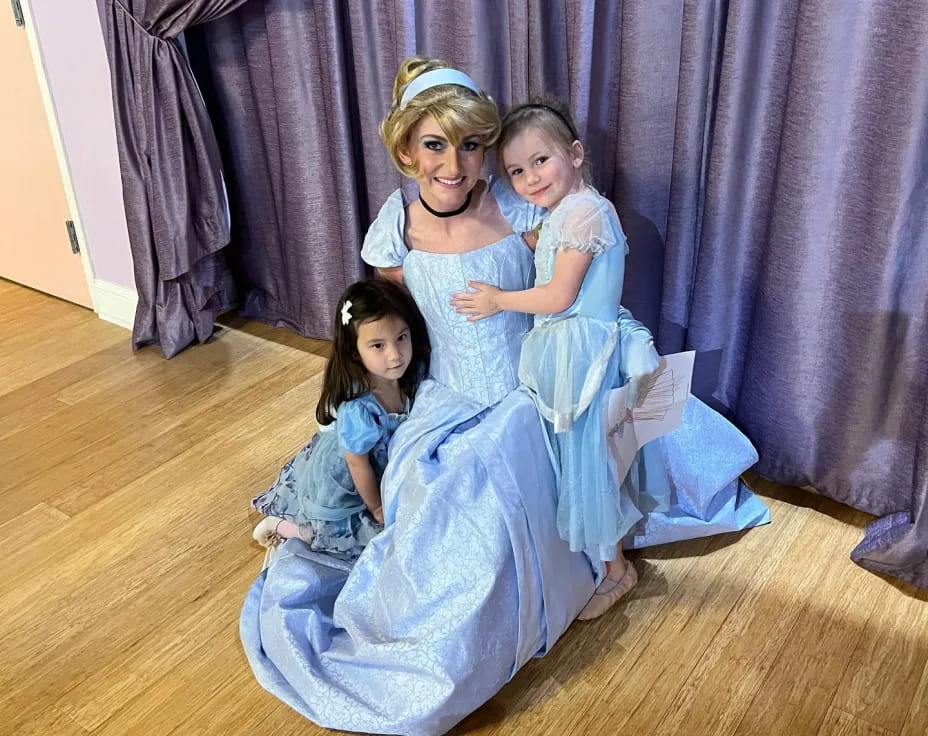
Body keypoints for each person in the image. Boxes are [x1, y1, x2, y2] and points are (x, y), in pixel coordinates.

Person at [240, 56, 769, 736]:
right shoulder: (394, 227)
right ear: (406, 151)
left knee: (489, 501)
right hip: (446, 397)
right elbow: (403, 326)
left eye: (469, 145)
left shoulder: (521, 202)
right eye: (435, 145)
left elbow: (569, 278)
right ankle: (420, 632)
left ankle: (553, 592)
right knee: (422, 505)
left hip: (528, 391)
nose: (454, 164)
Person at [452, 97, 670, 618]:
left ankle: (617, 571)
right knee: (581, 461)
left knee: (590, 464)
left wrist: (497, 301)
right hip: (572, 352)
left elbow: (559, 297)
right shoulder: (569, 212)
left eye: (540, 161)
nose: (530, 178)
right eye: (517, 171)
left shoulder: (586, 213)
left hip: (583, 357)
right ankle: (602, 559)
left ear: (574, 154)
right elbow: (557, 259)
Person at [250, 279, 429, 560]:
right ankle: (284, 528)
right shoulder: (359, 409)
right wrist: (377, 508)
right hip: (347, 485)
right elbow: (358, 463)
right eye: (378, 345)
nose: (395, 355)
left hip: (375, 471)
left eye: (401, 338)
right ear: (354, 351)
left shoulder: (410, 374)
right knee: (357, 541)